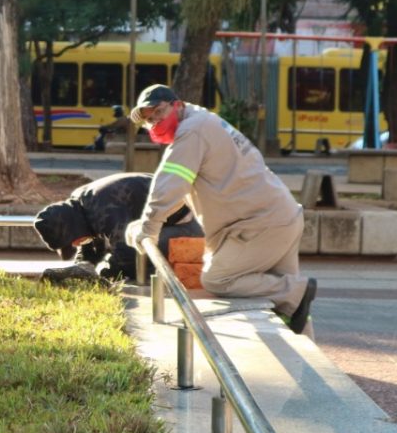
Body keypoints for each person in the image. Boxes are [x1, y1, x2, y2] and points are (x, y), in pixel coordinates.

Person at [124, 84, 316, 333]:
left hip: (258, 225)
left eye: (159, 112)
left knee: (219, 279)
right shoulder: (205, 121)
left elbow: (170, 183)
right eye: (149, 121)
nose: (155, 122)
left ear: (177, 104)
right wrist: (154, 221)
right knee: (289, 305)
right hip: (279, 217)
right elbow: (181, 190)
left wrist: (150, 228)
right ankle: (306, 358)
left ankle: (297, 291)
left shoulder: (191, 131)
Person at [34, 172, 203, 283]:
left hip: (189, 219)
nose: (77, 245)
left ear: (72, 229)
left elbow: (125, 254)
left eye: (72, 242)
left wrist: (101, 273)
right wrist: (80, 269)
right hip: (160, 220)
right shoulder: (82, 204)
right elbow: (91, 249)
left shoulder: (103, 207)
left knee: (142, 257)